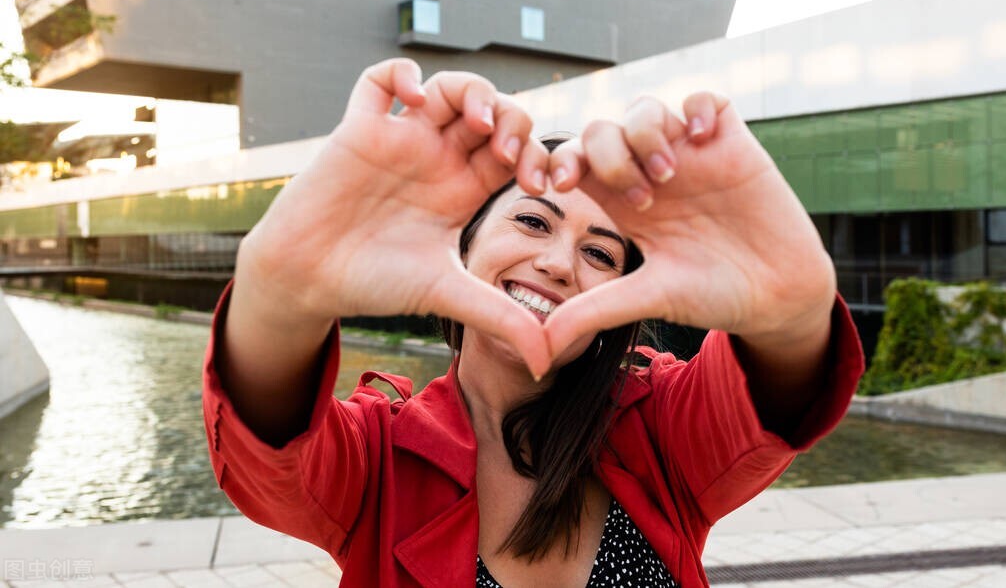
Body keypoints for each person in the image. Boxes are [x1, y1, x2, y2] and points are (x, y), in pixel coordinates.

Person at [202, 58, 864, 587]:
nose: (557, 262)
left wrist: (791, 311)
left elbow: (770, 394)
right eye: (532, 220)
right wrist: (280, 292)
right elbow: (270, 454)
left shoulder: (659, 427)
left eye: (600, 252)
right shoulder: (380, 456)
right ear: (465, 247)